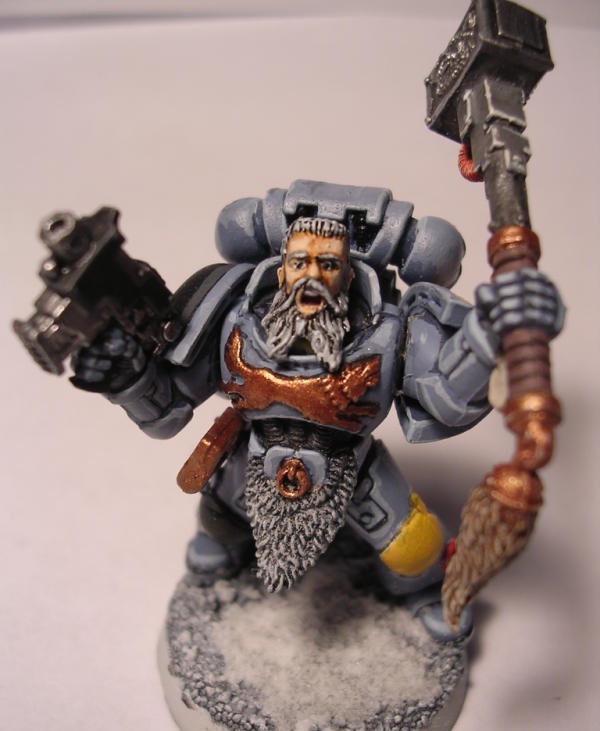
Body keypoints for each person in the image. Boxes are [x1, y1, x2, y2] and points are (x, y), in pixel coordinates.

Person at [72, 180, 564, 640]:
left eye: (328, 264)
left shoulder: (391, 328)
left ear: (347, 273)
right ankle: (223, 546)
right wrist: (127, 377)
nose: (312, 276)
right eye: (300, 261)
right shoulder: (233, 316)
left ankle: (424, 597)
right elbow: (168, 409)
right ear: (281, 268)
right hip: (251, 451)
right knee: (218, 522)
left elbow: (446, 395)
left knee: (415, 550)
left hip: (348, 460)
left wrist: (486, 335)